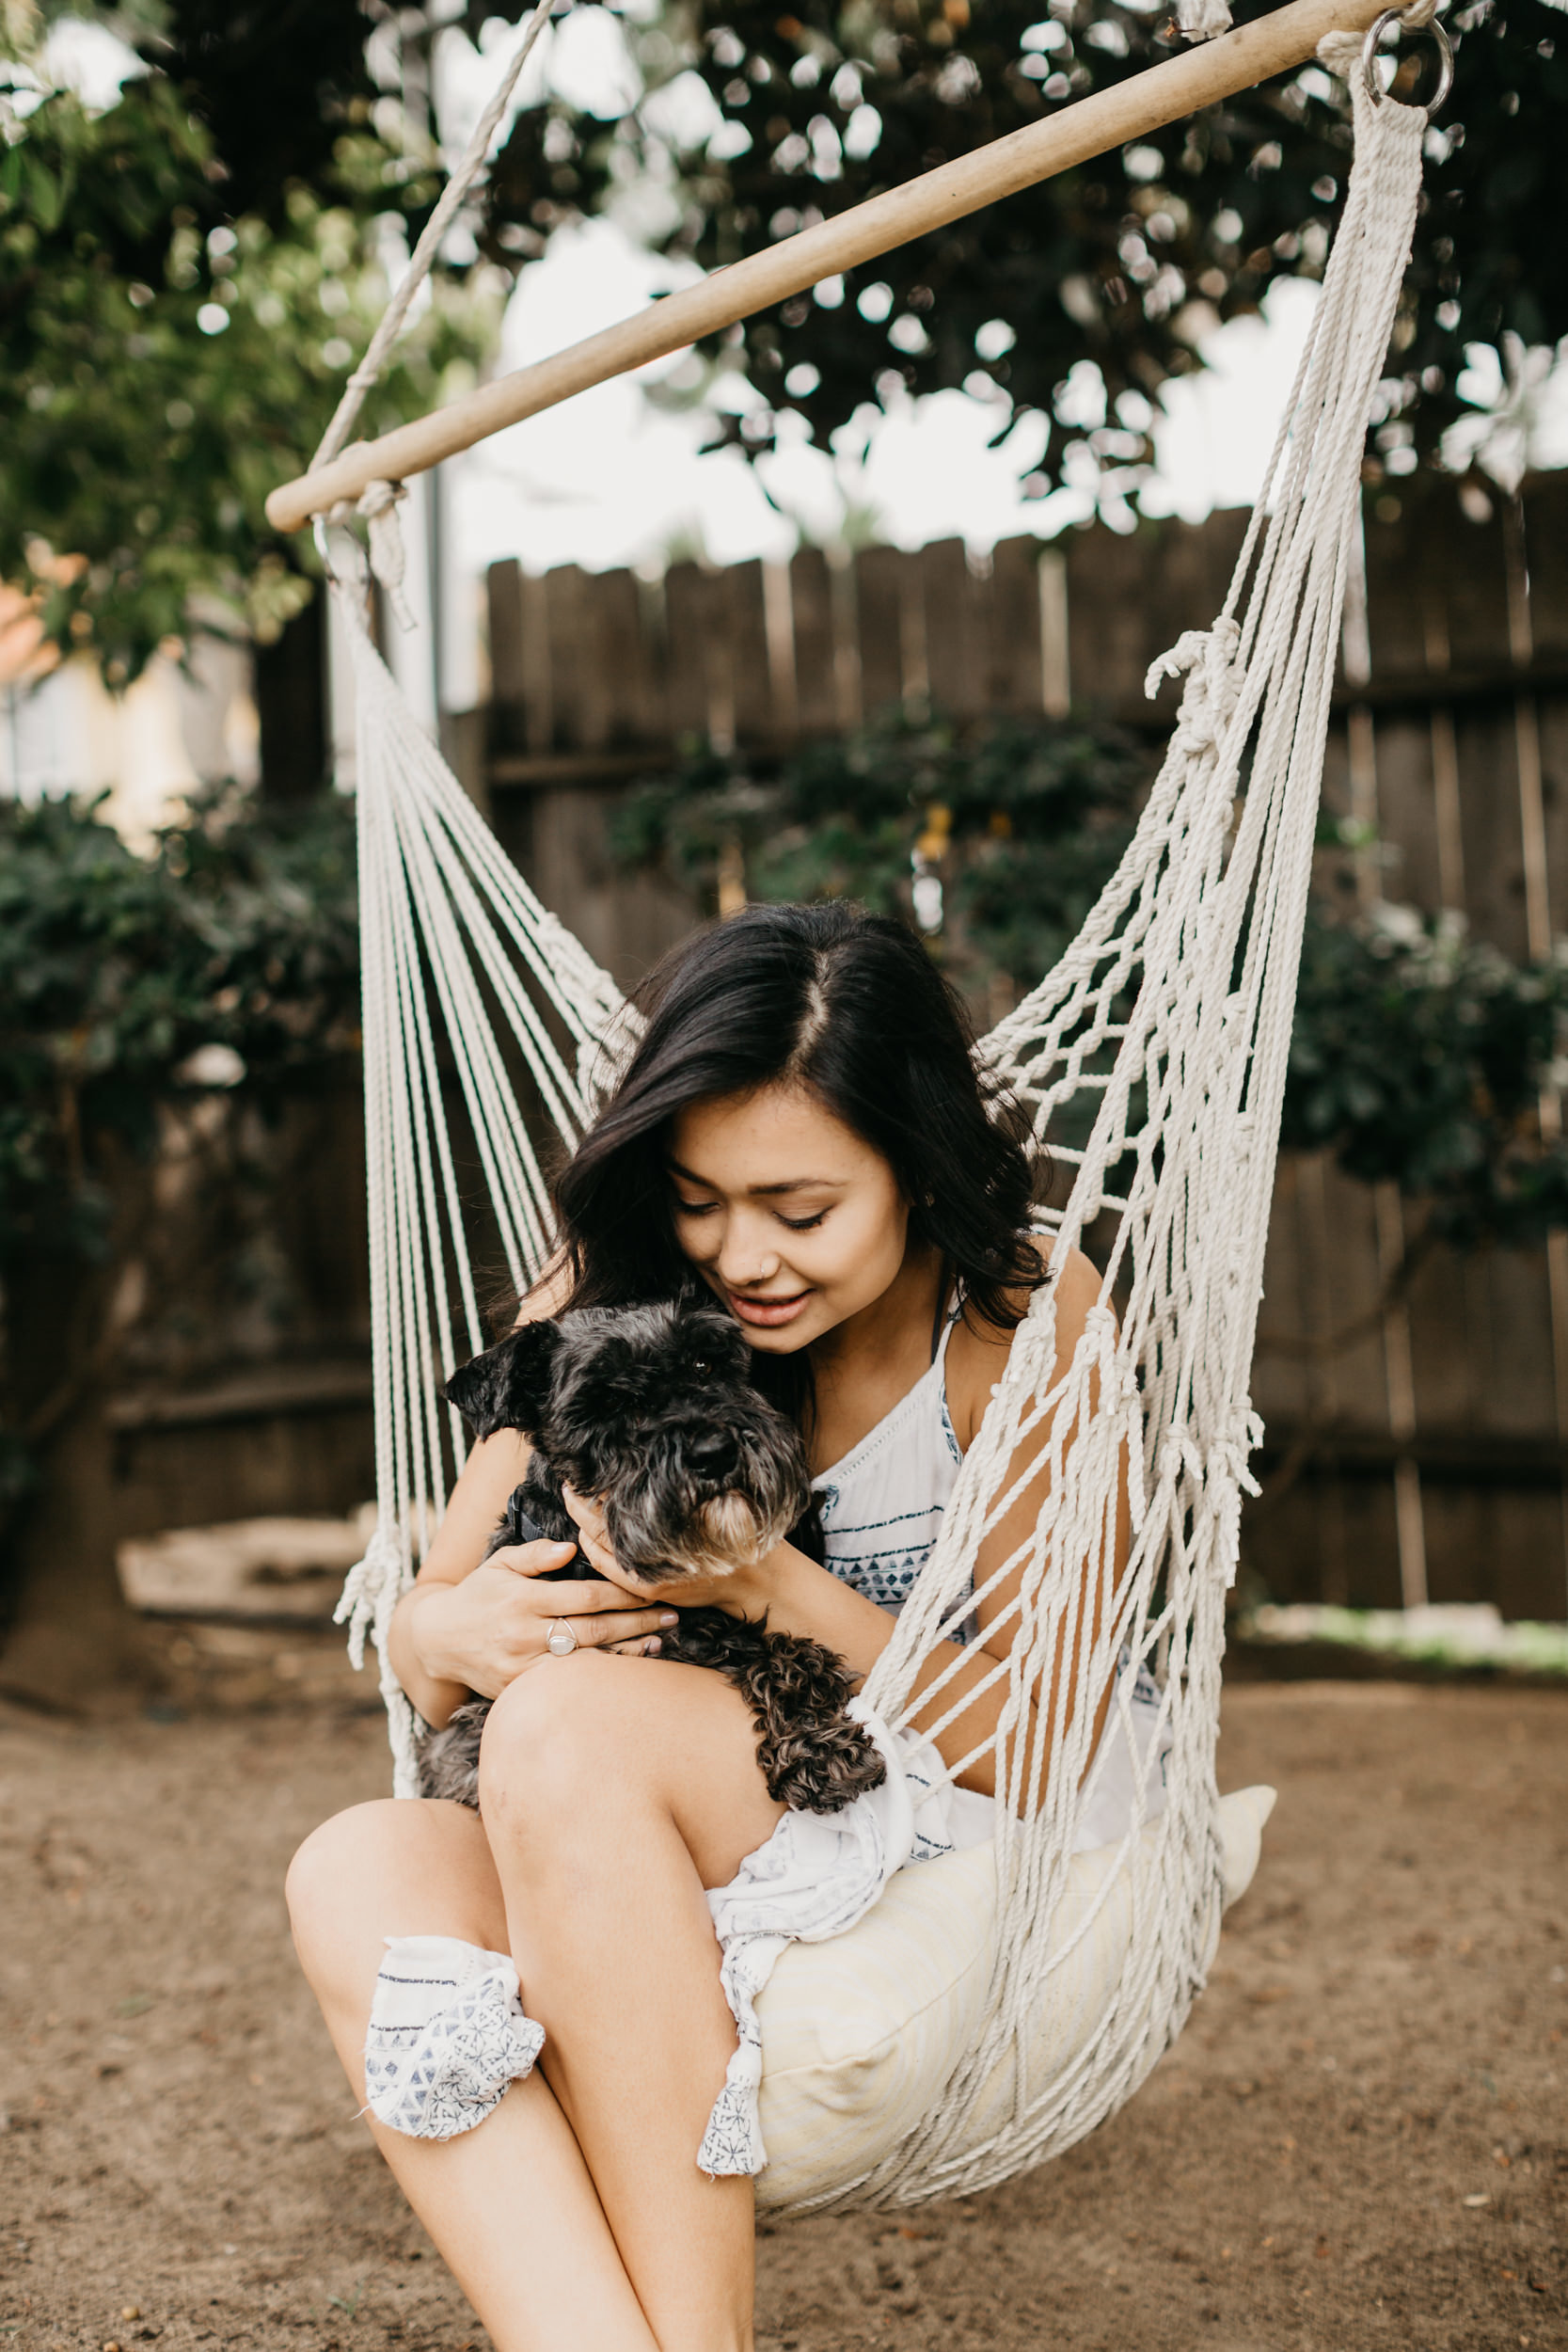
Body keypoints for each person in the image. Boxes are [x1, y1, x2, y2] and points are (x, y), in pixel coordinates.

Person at [286, 901, 1124, 2352]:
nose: (742, 1258)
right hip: (625, 1807)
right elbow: (428, 1631)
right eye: (697, 1199)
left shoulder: (1015, 1321)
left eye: (802, 1212)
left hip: (918, 1798)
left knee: (565, 1730)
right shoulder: (613, 1308)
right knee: (353, 1866)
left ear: (915, 1169)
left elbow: (1048, 1742)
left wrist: (761, 1587)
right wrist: (456, 1632)